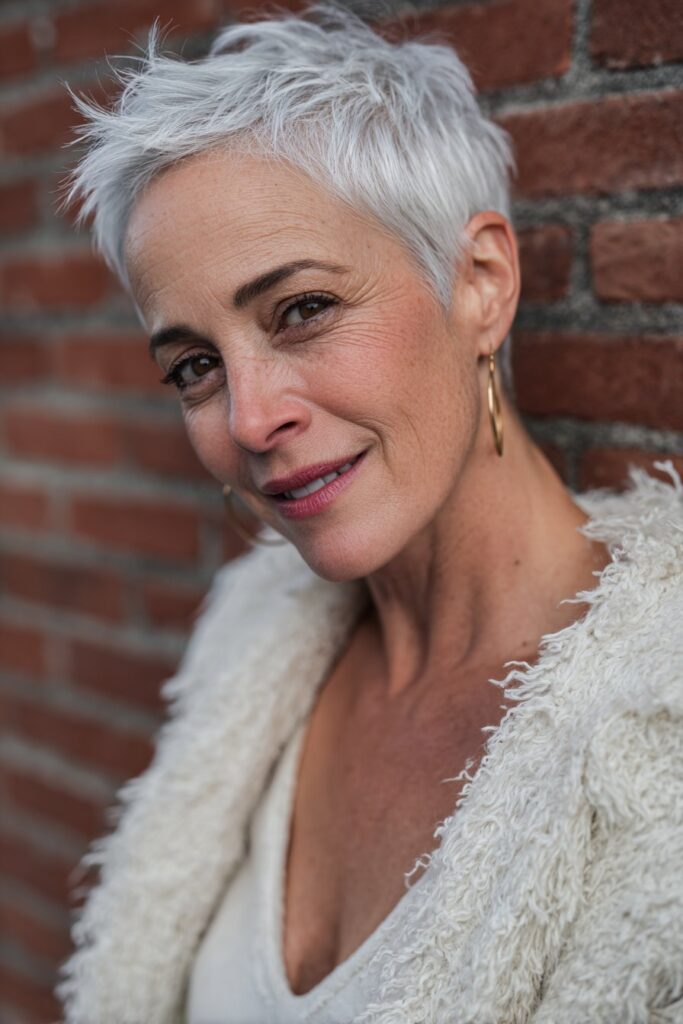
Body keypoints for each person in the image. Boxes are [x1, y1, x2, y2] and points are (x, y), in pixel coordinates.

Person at [57, 6, 683, 1023]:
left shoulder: (661, 722)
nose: (251, 418)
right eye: (194, 366)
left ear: (477, 282)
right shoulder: (244, 645)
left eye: (300, 309)